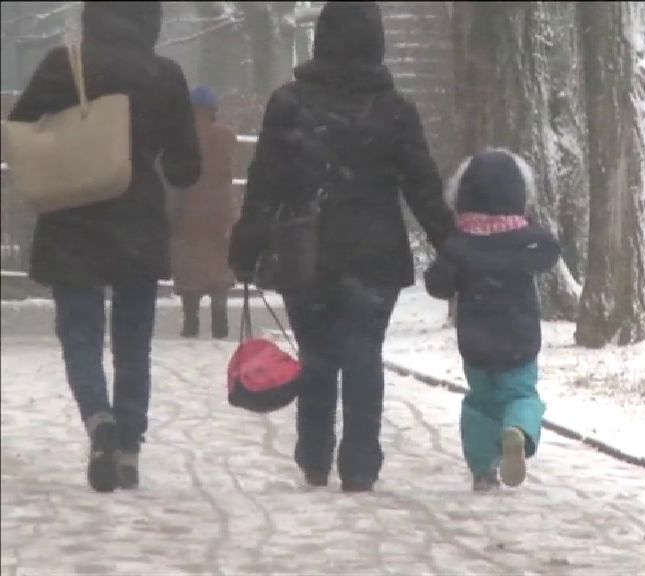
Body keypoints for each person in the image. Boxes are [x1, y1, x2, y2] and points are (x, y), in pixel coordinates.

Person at [229, 2, 454, 492]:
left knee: (317, 352)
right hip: (376, 254)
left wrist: (247, 241)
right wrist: (450, 245)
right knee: (363, 354)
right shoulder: (395, 110)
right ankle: (360, 462)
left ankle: (314, 454)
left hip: (307, 251)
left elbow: (264, 180)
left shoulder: (289, 103)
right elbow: (423, 186)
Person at [8, 2, 200, 492]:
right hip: (136, 221)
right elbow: (185, 166)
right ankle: (130, 448)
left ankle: (99, 419)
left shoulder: (64, 64)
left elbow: (19, 130)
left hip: (72, 219)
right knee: (134, 343)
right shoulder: (164, 75)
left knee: (81, 335)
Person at [424, 150, 561, 492]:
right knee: (522, 395)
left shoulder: (461, 244)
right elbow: (550, 251)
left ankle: (483, 469)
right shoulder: (527, 240)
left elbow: (437, 284)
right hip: (519, 338)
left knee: (480, 403)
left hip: (476, 341)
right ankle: (518, 431)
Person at [169, 86, 238, 339]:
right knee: (218, 265)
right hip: (219, 210)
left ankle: (191, 321)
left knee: (189, 267)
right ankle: (220, 319)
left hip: (187, 209)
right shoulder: (225, 136)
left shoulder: (178, 137)